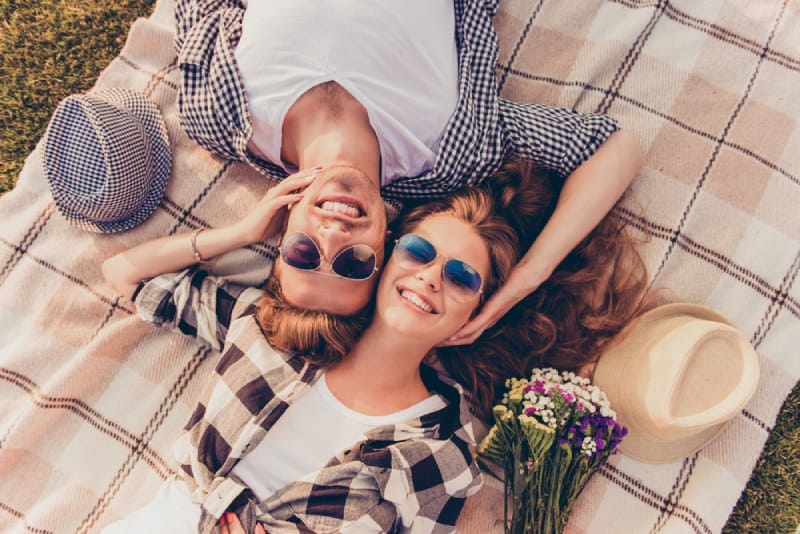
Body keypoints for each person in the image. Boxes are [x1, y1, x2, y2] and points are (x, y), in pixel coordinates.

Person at [100, 159, 556, 532]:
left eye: (461, 277)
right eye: (418, 252)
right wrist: (244, 233)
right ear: (387, 255)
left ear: (477, 312)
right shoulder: (272, 328)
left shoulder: (444, 454)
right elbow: (125, 275)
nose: (431, 277)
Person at [174, 0, 646, 339]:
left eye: (303, 255)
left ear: (279, 236)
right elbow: (613, 148)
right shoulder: (452, 151)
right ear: (386, 247)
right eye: (353, 264)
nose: (334, 236)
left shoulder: (217, 116)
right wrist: (530, 273)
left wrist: (236, 234)